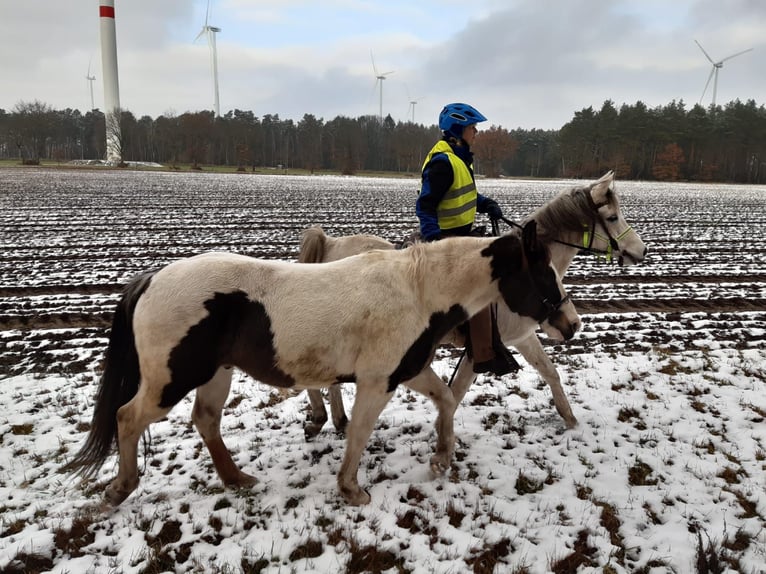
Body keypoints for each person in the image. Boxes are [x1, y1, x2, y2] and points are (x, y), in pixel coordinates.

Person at [415, 102, 518, 376]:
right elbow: (425, 206)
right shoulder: (443, 162)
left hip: (461, 236)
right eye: (473, 128)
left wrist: (485, 204)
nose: (476, 133)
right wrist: (435, 241)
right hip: (448, 240)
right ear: (458, 130)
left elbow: (463, 195)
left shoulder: (458, 157)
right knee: (481, 291)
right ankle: (485, 355)